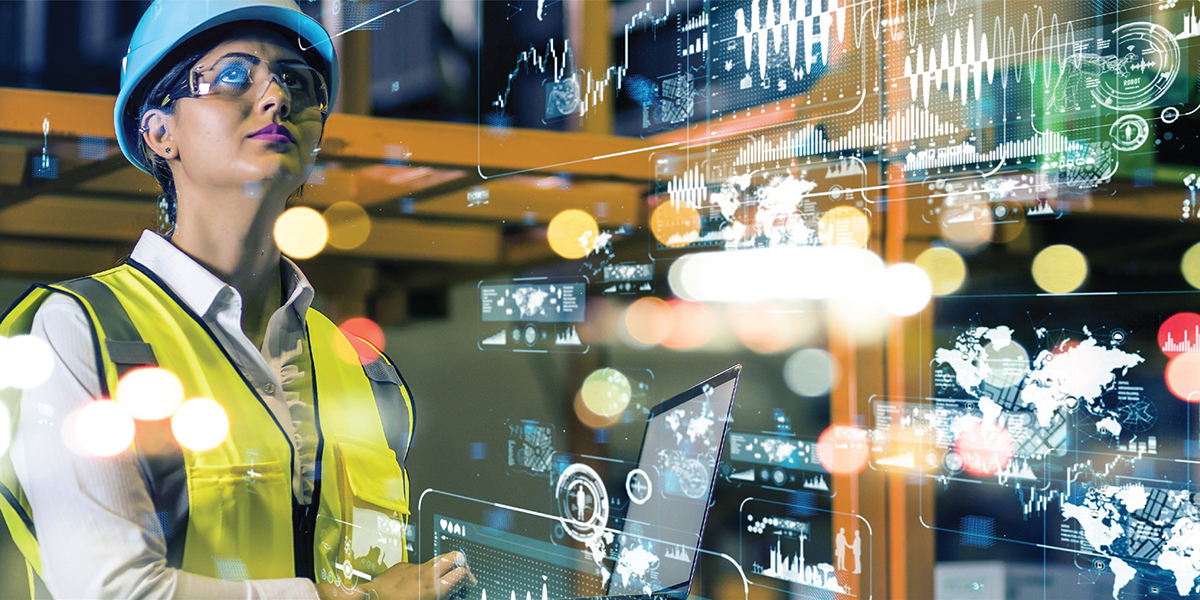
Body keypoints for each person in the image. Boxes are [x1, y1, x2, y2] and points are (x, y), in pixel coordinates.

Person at [0, 1, 474, 599]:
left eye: (297, 82)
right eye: (232, 75)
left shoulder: (361, 367)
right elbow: (113, 591)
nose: (276, 97)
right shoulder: (80, 333)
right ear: (159, 131)